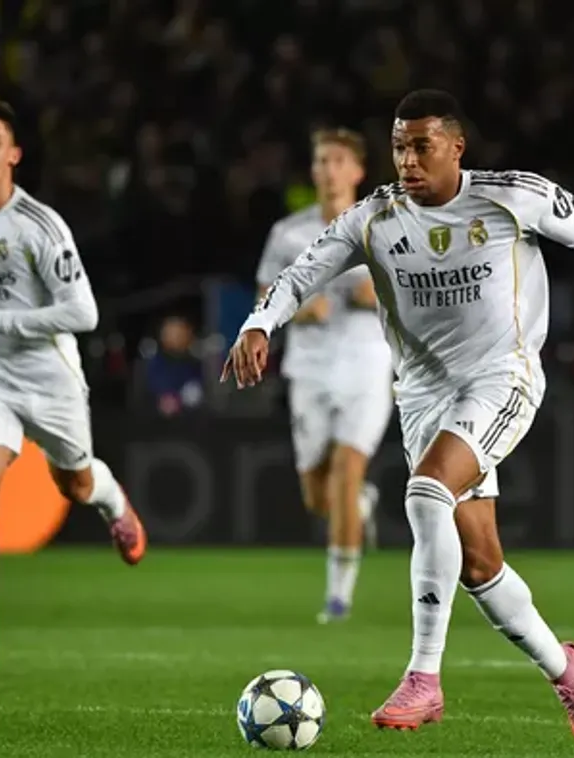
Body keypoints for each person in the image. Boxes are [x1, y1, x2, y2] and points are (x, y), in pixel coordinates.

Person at [225, 89, 574, 747]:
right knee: (479, 563)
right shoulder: (375, 217)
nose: (408, 160)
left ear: (456, 147)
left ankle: (423, 676)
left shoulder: (510, 197)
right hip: (422, 396)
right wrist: (259, 324)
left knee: (425, 491)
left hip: (502, 378)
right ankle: (564, 668)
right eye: (399, 147)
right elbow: (303, 271)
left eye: (421, 146)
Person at [0, 96, 147, 673]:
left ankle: (114, 501)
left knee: (75, 483)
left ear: (13, 155)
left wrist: (1, 321)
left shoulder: (39, 225)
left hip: (48, 378)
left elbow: (84, 312)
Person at [253, 128, 391, 623]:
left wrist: (382, 294)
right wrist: (299, 307)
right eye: (321, 161)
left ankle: (338, 599)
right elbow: (265, 295)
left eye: (337, 161)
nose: (329, 170)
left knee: (347, 470)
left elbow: (417, 289)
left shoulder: (384, 226)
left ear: (357, 171)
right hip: (309, 367)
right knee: (318, 494)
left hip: (367, 362)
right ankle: (361, 507)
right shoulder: (288, 233)